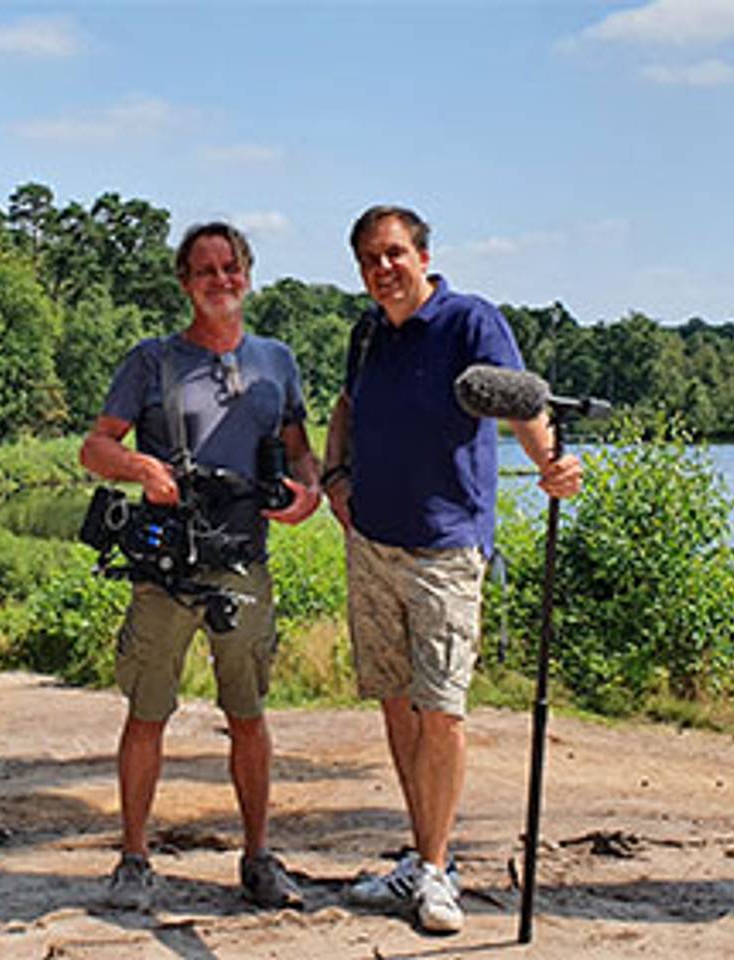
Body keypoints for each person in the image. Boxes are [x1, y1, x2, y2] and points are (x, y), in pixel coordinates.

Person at [321, 205, 582, 934]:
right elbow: (346, 406)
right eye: (369, 258)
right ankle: (423, 856)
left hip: (445, 549)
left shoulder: (472, 321)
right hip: (370, 541)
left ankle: (437, 874)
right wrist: (337, 478)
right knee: (397, 703)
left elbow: (522, 400)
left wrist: (551, 464)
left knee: (441, 709)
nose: (382, 269)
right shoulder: (367, 332)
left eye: (395, 254)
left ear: (425, 256)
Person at [80, 221, 322, 911]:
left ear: (248, 274)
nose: (220, 280)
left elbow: (300, 450)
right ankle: (133, 859)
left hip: (244, 560)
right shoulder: (150, 361)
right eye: (205, 270)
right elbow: (94, 448)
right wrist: (139, 467)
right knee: (147, 712)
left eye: (231, 267)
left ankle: (259, 858)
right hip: (165, 569)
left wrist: (304, 494)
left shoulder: (278, 360)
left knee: (248, 713)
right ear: (185, 283)